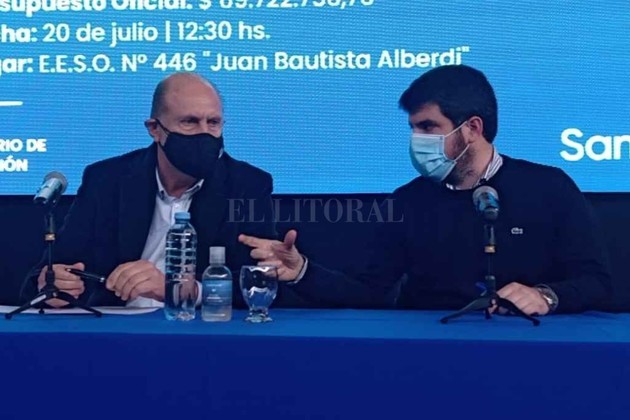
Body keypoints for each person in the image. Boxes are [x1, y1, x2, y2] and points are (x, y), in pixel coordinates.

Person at [240, 64, 613, 315]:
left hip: (528, 344)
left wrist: (546, 296)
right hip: (430, 348)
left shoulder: (549, 187)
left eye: (428, 127)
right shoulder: (408, 201)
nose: (417, 139)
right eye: (414, 128)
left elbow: (596, 282)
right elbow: (369, 291)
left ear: (472, 128)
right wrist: (302, 271)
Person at [20, 72, 292, 309]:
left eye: (213, 123)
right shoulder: (107, 180)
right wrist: (53, 285)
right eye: (189, 122)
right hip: (116, 329)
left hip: (202, 329)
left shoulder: (247, 185)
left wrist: (179, 290)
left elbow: (257, 283)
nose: (204, 134)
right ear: (154, 129)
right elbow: (56, 268)